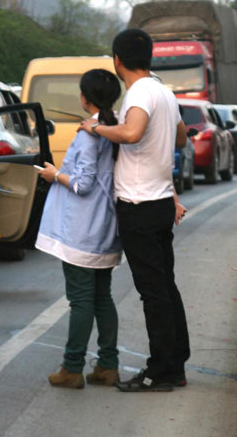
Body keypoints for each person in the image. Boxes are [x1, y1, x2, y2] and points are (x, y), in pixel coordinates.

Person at [80, 28, 189, 393]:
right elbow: (181, 137)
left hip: (140, 206)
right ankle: (175, 364)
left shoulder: (140, 91)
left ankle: (160, 371)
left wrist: (96, 127)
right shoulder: (164, 91)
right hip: (159, 201)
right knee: (165, 287)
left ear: (117, 60)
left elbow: (131, 134)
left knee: (153, 292)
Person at [35, 69, 124, 389]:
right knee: (102, 298)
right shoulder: (113, 127)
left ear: (85, 98)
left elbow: (83, 184)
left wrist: (53, 175)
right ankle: (108, 365)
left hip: (81, 229)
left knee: (81, 300)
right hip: (103, 227)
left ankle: (72, 368)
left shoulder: (89, 133)